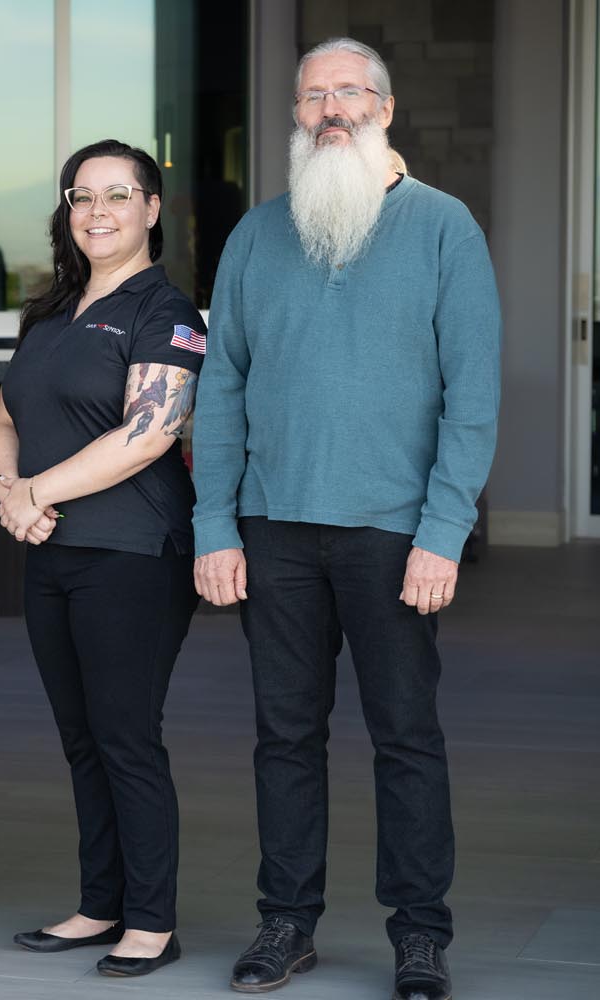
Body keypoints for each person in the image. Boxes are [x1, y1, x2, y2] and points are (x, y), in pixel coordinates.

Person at [191, 38, 500, 1000]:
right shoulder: (256, 236)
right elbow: (221, 389)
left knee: (405, 737)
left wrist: (443, 533)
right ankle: (286, 922)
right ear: (296, 114)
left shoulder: (444, 228)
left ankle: (420, 934)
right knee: (284, 737)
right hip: (273, 527)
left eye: (349, 93)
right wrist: (215, 525)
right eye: (312, 96)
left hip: (394, 534)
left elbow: (473, 397)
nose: (331, 110)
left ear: (385, 108)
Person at [0, 140, 202, 979]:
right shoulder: (50, 312)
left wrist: (34, 493)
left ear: (152, 208)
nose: (98, 211)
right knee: (82, 739)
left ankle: (152, 920)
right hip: (51, 550)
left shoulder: (165, 311)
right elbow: (5, 417)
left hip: (133, 551)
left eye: (118, 194)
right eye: (83, 195)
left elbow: (149, 433)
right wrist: (13, 492)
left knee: (125, 736)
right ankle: (100, 903)